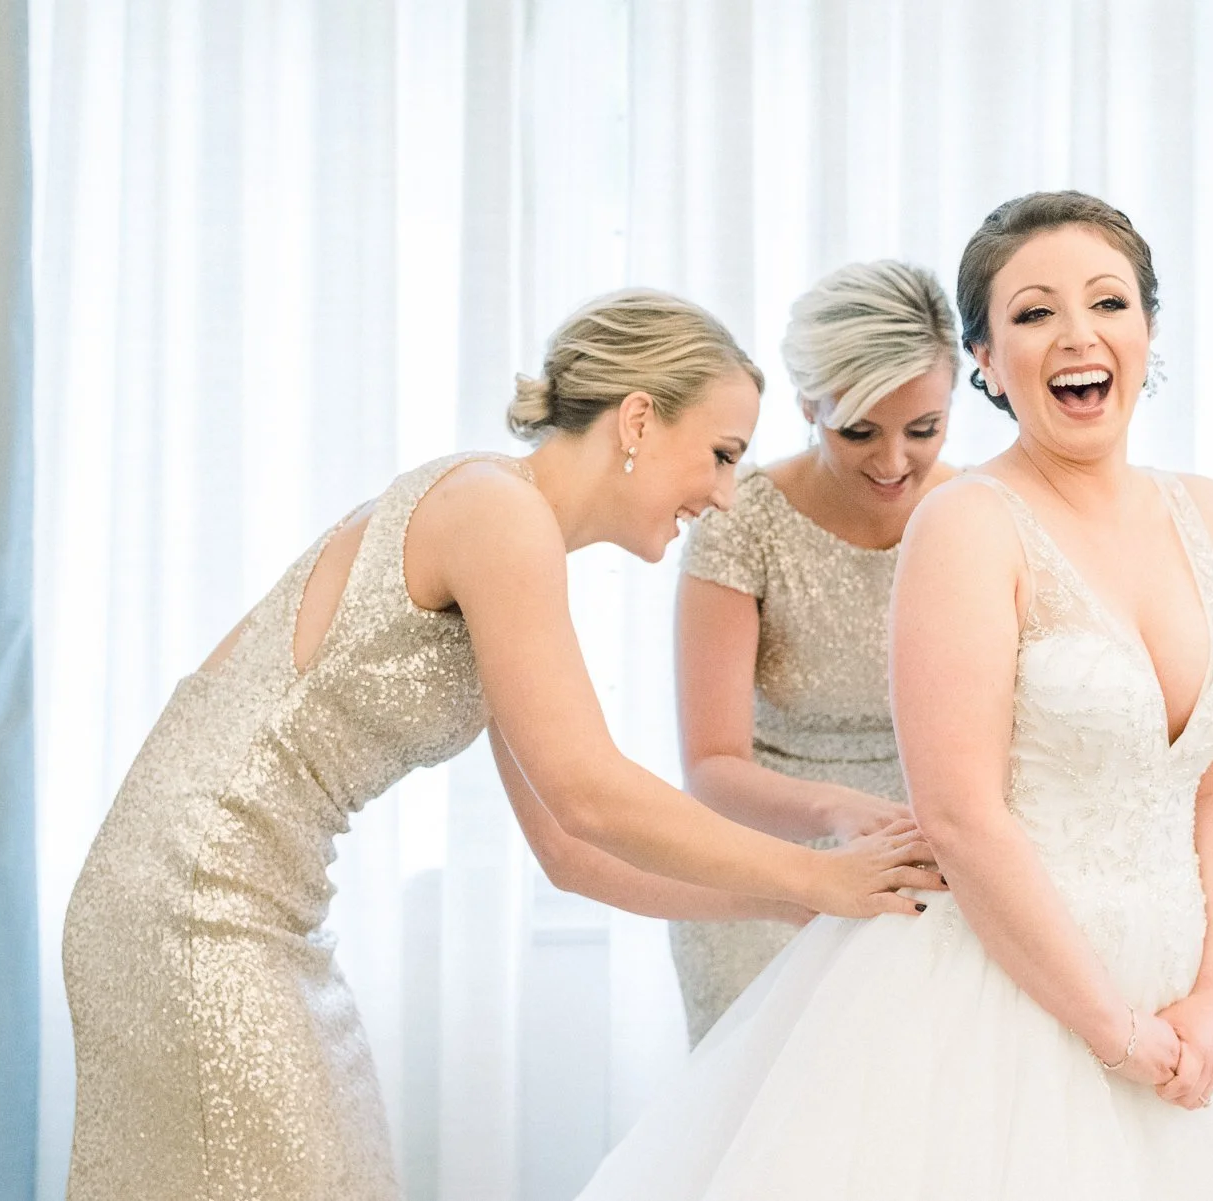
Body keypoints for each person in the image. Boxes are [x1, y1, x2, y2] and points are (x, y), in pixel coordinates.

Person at [574, 195, 1213, 1200]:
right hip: (1006, 984)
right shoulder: (966, 523)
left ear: (1149, 328)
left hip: (1195, 982)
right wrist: (1111, 1029)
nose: (1077, 334)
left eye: (1107, 301)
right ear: (984, 358)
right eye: (1032, 313)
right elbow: (963, 815)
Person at [60, 289, 943, 1201]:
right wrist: (814, 874)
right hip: (193, 898)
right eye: (720, 455)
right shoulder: (494, 510)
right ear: (638, 418)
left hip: (252, 904)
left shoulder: (504, 529)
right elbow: (589, 790)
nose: (723, 495)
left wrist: (784, 905)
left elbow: (569, 852)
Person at [668, 260, 958, 1042]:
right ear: (807, 404)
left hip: (937, 869)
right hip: (766, 878)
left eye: (923, 430)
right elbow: (712, 765)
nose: (893, 462)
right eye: (858, 430)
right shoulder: (743, 523)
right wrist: (836, 811)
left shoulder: (978, 517)